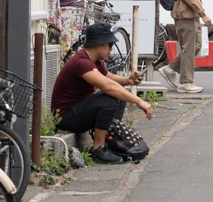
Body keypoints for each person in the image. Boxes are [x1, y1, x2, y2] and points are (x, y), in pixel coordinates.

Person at [51, 23, 154, 163]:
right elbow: (108, 87)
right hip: (66, 117)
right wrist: (139, 101)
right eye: (109, 45)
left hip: (78, 110)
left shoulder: (95, 61)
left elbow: (109, 78)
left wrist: (128, 80)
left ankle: (110, 139)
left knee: (119, 96)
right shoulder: (81, 63)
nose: (111, 49)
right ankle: (98, 148)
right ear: (98, 44)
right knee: (110, 99)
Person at [158, 0, 210, 94]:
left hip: (189, 14)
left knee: (196, 46)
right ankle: (186, 82)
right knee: (188, 48)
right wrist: (203, 13)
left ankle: (171, 69)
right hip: (185, 15)